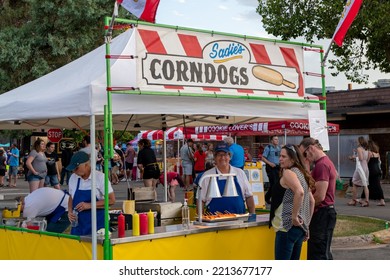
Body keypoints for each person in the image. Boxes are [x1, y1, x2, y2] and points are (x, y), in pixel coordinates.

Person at [270, 144, 315, 260]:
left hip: (286, 227)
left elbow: (299, 192)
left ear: (293, 158)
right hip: (299, 229)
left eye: (284, 156)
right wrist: (306, 226)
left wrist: (294, 217)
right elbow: (311, 201)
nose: (280, 159)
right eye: (280, 156)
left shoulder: (288, 173)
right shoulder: (301, 173)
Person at [299, 137, 337, 260]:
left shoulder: (322, 165)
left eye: (304, 154)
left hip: (322, 212)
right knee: (322, 250)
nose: (304, 158)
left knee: (318, 253)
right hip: (324, 212)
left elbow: (320, 196)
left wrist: (304, 207)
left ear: (311, 148)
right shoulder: (322, 163)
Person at [66, 151, 116, 236]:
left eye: (76, 168)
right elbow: (71, 197)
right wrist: (70, 211)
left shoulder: (100, 177)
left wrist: (89, 205)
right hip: (79, 225)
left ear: (86, 165)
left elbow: (111, 200)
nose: (74, 171)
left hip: (98, 225)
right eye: (73, 169)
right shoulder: (73, 178)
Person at [198, 143, 255, 215]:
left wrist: (252, 215)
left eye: (225, 154)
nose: (222, 158)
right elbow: (200, 200)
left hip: (239, 220)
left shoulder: (240, 173)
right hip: (215, 221)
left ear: (230, 157)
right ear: (214, 158)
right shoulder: (207, 176)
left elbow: (249, 196)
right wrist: (201, 219)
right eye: (219, 155)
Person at [361, 140, 385, 206]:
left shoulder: (369, 153)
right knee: (377, 185)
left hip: (371, 171)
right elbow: (379, 162)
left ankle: (365, 199)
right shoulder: (377, 153)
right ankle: (381, 200)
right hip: (377, 170)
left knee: (367, 184)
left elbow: (367, 161)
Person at [348, 136, 369, 207]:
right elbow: (367, 159)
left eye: (357, 141)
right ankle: (366, 200)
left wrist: (353, 157)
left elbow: (360, 158)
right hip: (365, 167)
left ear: (360, 142)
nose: (356, 142)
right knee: (365, 184)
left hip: (360, 168)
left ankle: (353, 200)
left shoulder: (359, 149)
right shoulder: (367, 149)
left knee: (354, 183)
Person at [262, 135, 281, 204]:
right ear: (272, 141)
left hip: (277, 167)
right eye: (275, 139)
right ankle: (272, 198)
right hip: (271, 167)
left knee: (277, 183)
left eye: (277, 139)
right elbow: (263, 158)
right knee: (273, 183)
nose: (277, 141)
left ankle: (267, 197)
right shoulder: (268, 148)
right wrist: (270, 163)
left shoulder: (279, 148)